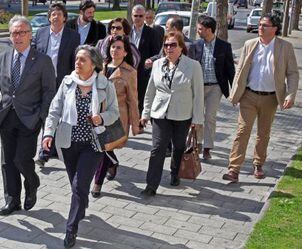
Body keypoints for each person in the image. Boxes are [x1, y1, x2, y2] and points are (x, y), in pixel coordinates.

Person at [0, 15, 56, 216]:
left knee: (22, 159)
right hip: (6, 116)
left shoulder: (43, 61)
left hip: (30, 118)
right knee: (7, 161)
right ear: (9, 36)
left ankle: (32, 181)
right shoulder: (1, 59)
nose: (18, 36)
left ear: (30, 35)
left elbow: (49, 91)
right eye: (14, 33)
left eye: (22, 32)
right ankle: (12, 200)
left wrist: (43, 116)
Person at [42, 45, 119, 248]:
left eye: (83, 59)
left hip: (93, 145)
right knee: (77, 187)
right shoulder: (68, 83)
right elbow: (54, 110)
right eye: (76, 59)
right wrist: (48, 133)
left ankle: (71, 229)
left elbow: (114, 113)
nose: (78, 62)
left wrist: (100, 118)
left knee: (79, 186)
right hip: (68, 143)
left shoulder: (104, 85)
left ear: (93, 64)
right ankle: (81, 207)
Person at [223, 14, 299, 183]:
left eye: (265, 25)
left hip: (270, 98)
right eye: (260, 24)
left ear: (275, 29)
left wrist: (291, 94)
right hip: (248, 96)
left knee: (263, 134)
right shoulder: (250, 44)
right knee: (242, 131)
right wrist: (235, 94)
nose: (260, 28)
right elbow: (241, 71)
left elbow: (293, 73)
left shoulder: (285, 47)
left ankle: (258, 164)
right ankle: (234, 169)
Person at [140, 32, 204, 195]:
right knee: (158, 148)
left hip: (182, 114)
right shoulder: (157, 64)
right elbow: (150, 91)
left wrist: (197, 119)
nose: (169, 48)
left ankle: (175, 173)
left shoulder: (193, 66)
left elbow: (198, 95)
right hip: (160, 113)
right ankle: (151, 185)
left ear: (181, 47)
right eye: (166, 45)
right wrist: (145, 113)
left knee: (179, 147)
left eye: (173, 45)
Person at [91, 35, 140, 198]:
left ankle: (97, 183)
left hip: (118, 118)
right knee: (101, 147)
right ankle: (113, 162)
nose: (115, 50)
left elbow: (133, 99)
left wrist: (135, 124)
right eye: (113, 47)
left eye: (119, 47)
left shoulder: (130, 72)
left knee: (104, 148)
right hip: (99, 115)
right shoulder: (100, 67)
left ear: (126, 52)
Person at [32, 3, 80, 168]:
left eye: (59, 14)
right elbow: (33, 55)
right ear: (49, 17)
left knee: (57, 116)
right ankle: (45, 151)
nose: (56, 17)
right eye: (53, 14)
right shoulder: (40, 33)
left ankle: (50, 150)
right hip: (42, 83)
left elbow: (75, 61)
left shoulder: (73, 36)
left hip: (62, 82)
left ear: (64, 18)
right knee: (45, 114)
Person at [189, 15, 235, 159]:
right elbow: (189, 67)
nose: (198, 31)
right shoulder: (195, 45)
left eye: (200, 29)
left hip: (215, 88)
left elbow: (230, 70)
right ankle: (198, 144)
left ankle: (208, 147)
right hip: (198, 87)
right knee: (197, 117)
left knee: (210, 117)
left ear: (209, 30)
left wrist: (234, 92)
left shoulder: (224, 46)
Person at [130, 4, 161, 113]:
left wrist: (151, 60)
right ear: (131, 16)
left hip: (143, 73)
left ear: (144, 17)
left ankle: (139, 123)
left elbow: (158, 53)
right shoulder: (126, 32)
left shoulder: (152, 33)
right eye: (135, 15)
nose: (138, 18)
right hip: (128, 72)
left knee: (141, 101)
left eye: (140, 16)